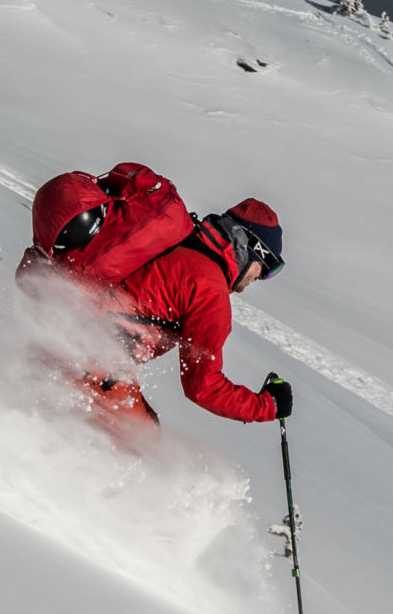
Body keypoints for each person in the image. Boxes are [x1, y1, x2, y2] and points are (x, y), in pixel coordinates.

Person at [16, 162, 292, 433]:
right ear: (252, 250)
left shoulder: (179, 241)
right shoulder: (210, 291)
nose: (259, 278)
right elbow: (204, 387)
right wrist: (267, 406)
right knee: (142, 446)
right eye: (266, 270)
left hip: (56, 340)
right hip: (91, 365)